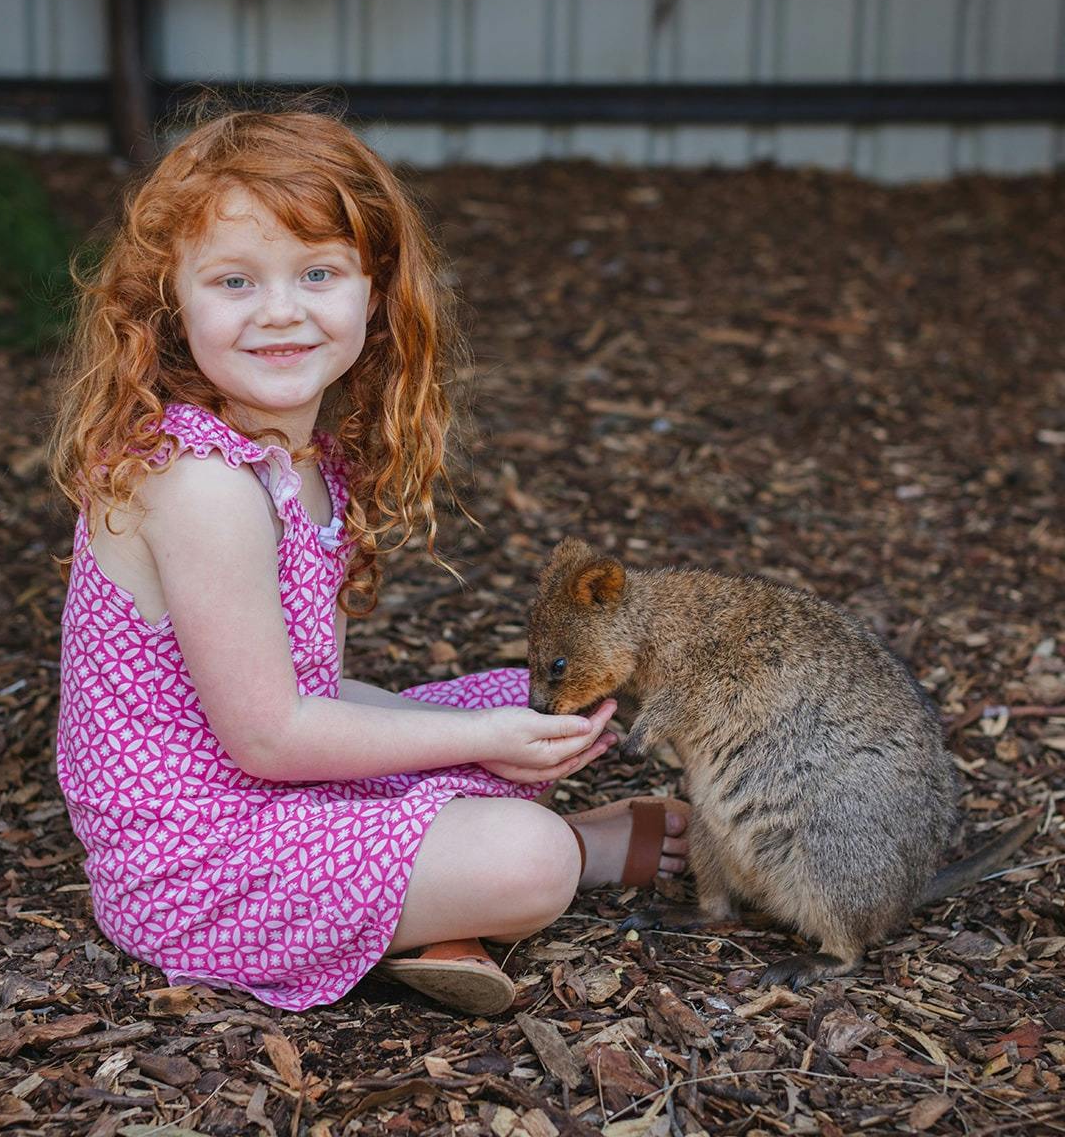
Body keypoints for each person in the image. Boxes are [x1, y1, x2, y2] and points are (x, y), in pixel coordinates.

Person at [48, 101, 688, 1014]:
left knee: (523, 700)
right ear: (170, 303)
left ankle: (417, 903)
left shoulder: (308, 462)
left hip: (278, 795)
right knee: (527, 855)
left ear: (375, 292)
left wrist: (498, 738)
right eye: (234, 282)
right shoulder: (203, 488)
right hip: (197, 868)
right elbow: (272, 735)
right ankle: (573, 853)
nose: (280, 312)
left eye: (317, 273)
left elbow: (318, 695)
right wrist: (473, 749)